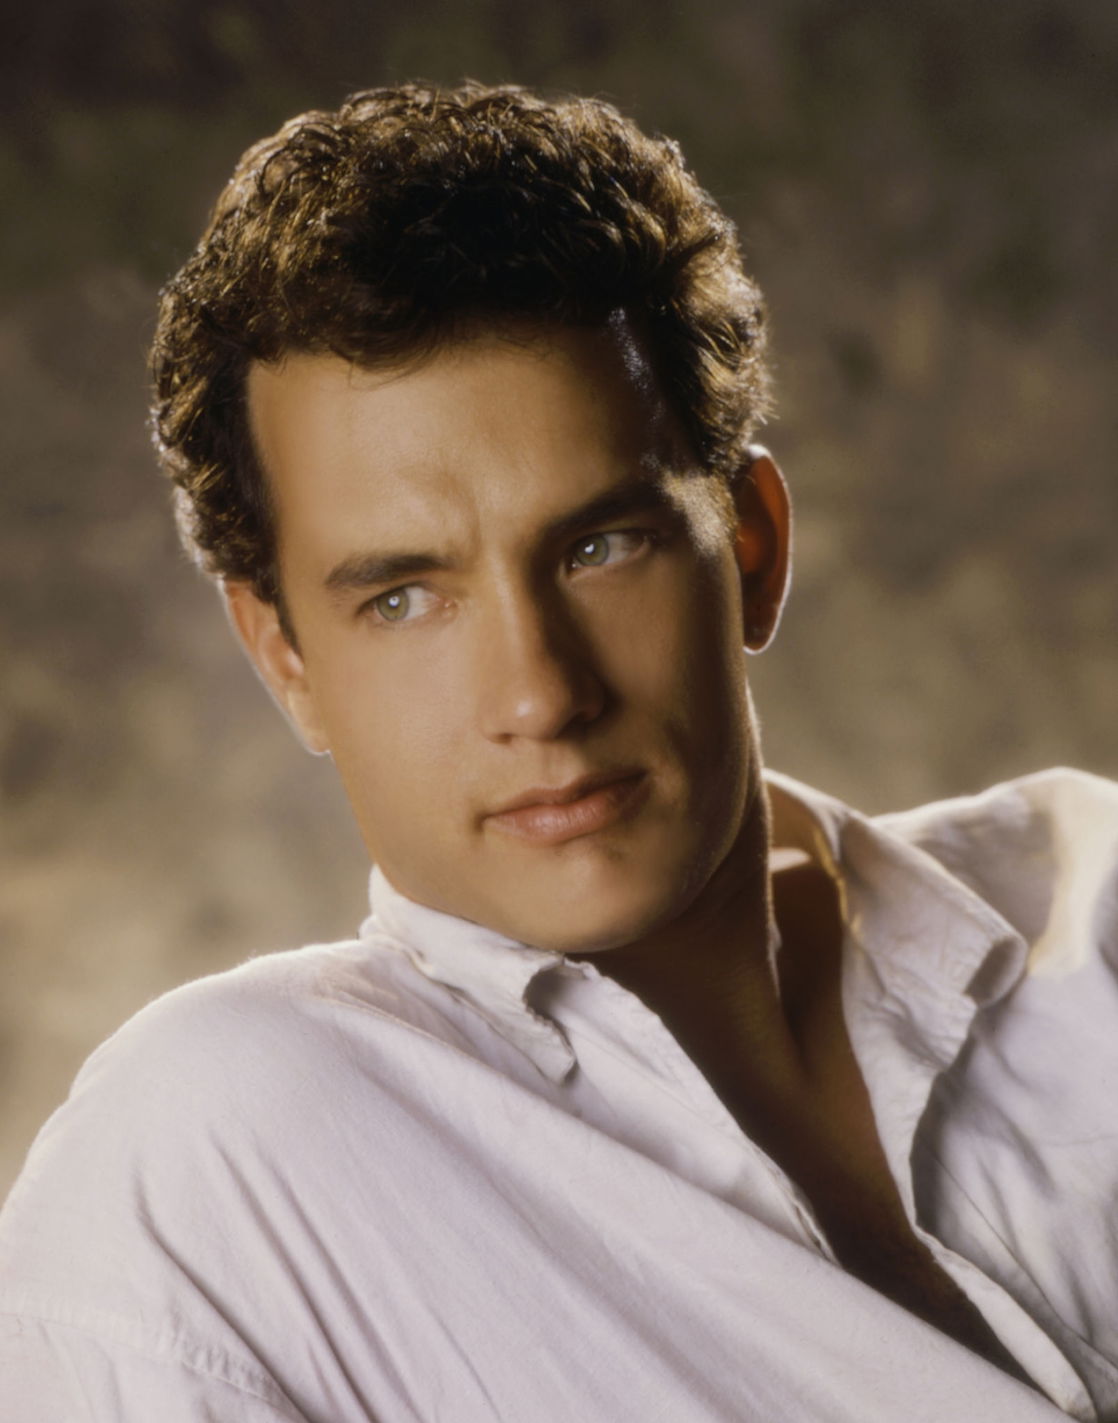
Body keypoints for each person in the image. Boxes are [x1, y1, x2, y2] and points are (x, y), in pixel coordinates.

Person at [1, 81, 1115, 1423]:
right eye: (402, 597)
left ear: (752, 548)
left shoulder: (1091, 918)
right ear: (284, 658)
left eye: (599, 546)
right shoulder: (214, 1178)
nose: (538, 695)